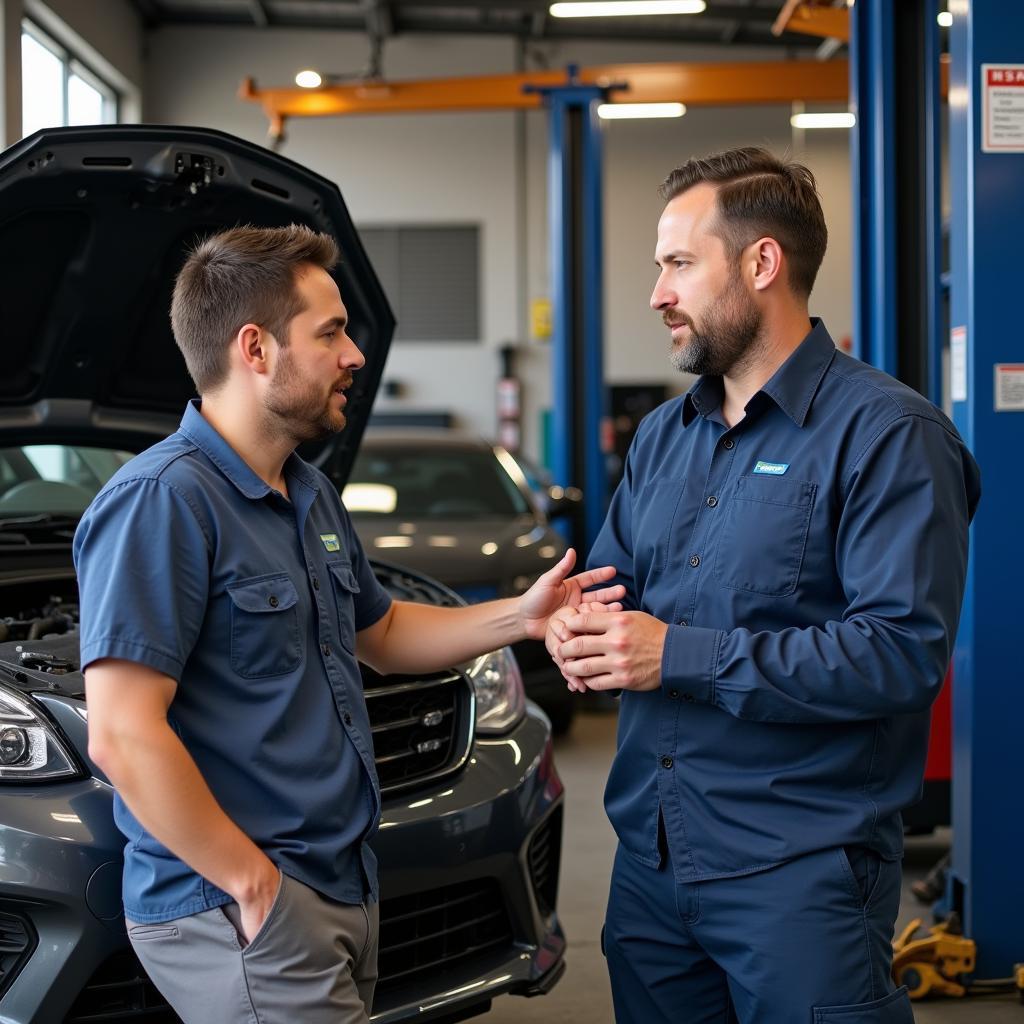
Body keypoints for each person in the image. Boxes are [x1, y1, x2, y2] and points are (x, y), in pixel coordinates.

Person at [74, 224, 623, 1024]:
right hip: (246, 902)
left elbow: (385, 632)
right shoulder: (163, 502)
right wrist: (250, 884)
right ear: (254, 349)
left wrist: (521, 616)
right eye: (330, 332)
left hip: (336, 883)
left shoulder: (308, 494)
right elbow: (122, 734)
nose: (355, 354)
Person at [546, 147, 980, 1023]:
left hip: (801, 880)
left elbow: (899, 655)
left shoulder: (890, 436)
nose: (657, 292)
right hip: (652, 868)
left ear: (762, 263)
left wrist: (679, 654)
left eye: (677, 264)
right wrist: (577, 629)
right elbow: (609, 587)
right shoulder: (666, 436)